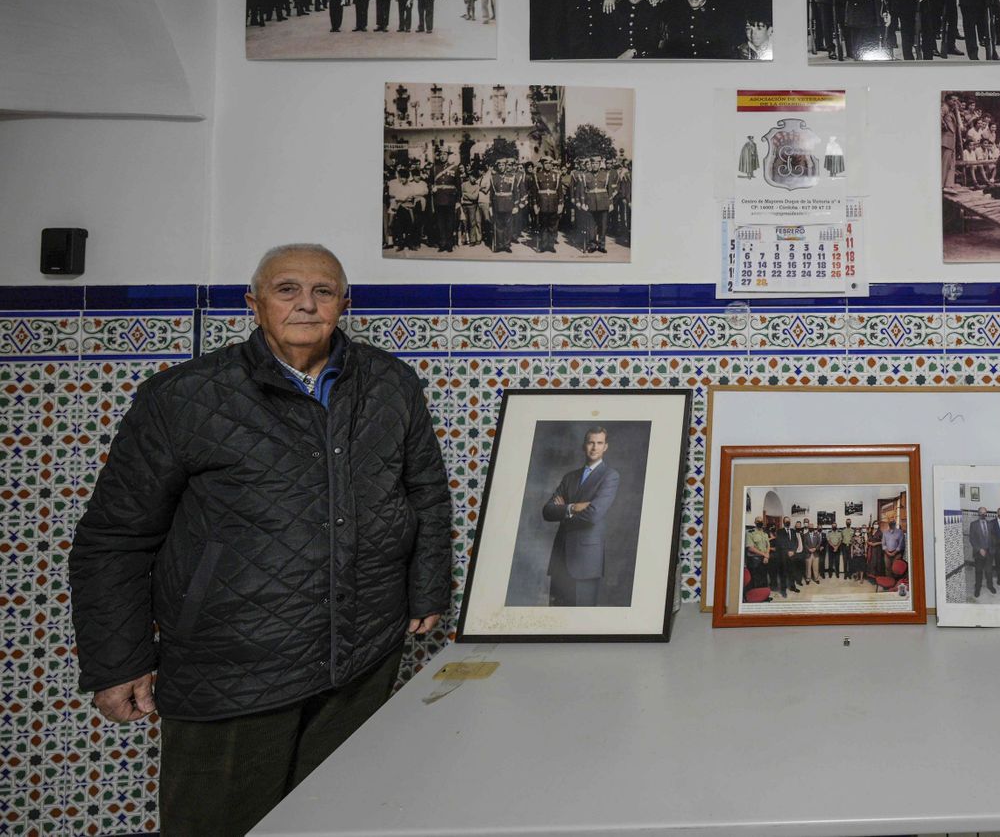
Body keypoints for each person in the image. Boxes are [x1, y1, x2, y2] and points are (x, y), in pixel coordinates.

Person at [69, 244, 449, 837]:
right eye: (287, 290)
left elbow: (425, 491)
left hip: (363, 655)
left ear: (344, 304)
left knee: (340, 822)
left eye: (323, 291)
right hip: (231, 669)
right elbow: (115, 537)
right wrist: (119, 661)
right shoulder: (183, 397)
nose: (306, 304)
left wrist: (426, 589)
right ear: (254, 303)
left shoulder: (391, 383)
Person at [540, 426, 621, 606]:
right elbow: (547, 511)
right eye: (591, 442)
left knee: (582, 615)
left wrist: (563, 512)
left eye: (599, 443)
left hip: (586, 560)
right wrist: (573, 507)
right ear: (584, 445)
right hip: (561, 557)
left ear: (605, 447)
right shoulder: (569, 477)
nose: (594, 447)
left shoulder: (610, 476)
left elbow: (593, 515)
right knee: (557, 614)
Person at [968, 507, 996, 596]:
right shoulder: (973, 524)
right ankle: (978, 587)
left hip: (989, 552)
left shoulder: (990, 524)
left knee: (989, 571)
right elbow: (972, 539)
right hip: (979, 552)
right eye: (981, 512)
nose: (983, 514)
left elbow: (993, 537)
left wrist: (993, 548)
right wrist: (980, 549)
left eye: (985, 512)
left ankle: (990, 586)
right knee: (978, 571)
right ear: (978, 513)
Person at [745, 517, 772, 592]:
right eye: (758, 521)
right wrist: (764, 554)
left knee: (764, 578)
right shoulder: (750, 533)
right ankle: (755, 597)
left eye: (761, 521)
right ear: (755, 522)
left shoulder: (765, 534)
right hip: (754, 560)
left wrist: (767, 555)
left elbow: (768, 545)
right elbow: (750, 548)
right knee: (755, 581)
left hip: (764, 559)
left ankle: (764, 596)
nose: (760, 522)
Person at [802, 520, 824, 584]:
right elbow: (804, 544)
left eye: (812, 527)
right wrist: (809, 549)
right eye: (810, 527)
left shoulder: (817, 534)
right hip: (808, 553)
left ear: (813, 528)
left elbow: (819, 543)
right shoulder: (805, 535)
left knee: (816, 567)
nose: (811, 528)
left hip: (815, 553)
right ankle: (808, 579)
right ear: (808, 528)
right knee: (808, 567)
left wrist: (815, 548)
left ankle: (816, 578)